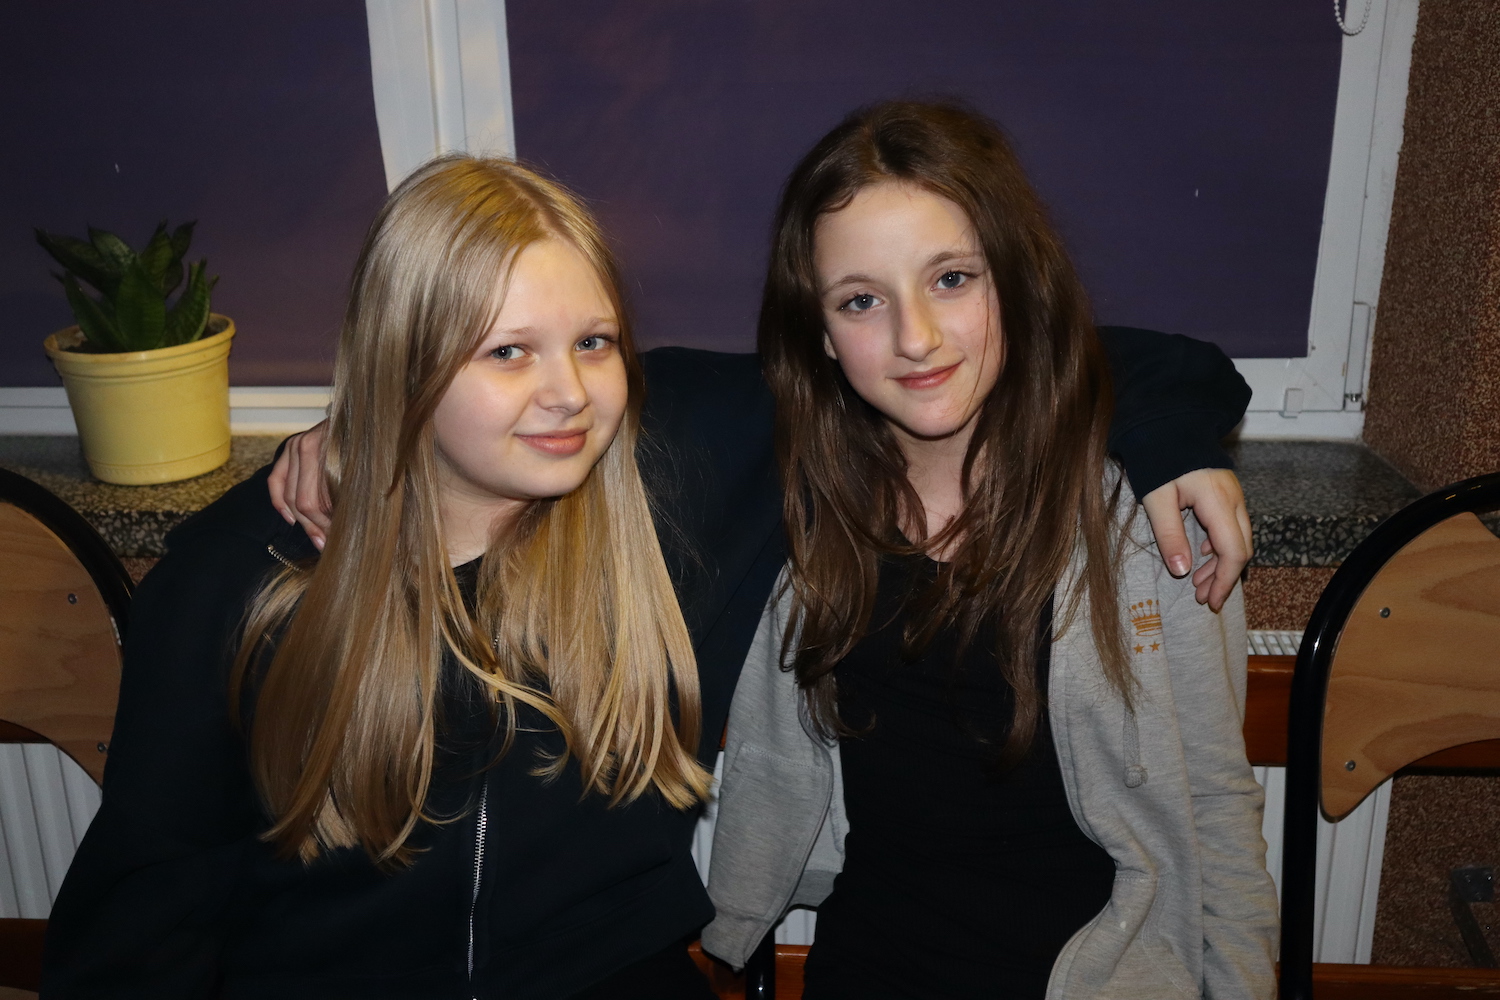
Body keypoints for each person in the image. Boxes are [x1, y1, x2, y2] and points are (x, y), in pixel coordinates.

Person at [107, 151, 1253, 996]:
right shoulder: (239, 580)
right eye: (507, 351)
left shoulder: (682, 475)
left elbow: (1022, 356)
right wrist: (347, 433)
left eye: (593, 341)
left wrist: (1172, 428)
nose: (567, 393)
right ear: (402, 364)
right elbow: (141, 918)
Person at [700, 101, 1277, 999]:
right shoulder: (801, 515)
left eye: (952, 279)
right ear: (822, 335)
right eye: (861, 300)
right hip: (872, 970)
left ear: (1013, 278)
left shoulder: (1144, 518)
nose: (915, 338)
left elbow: (1212, 799)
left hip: (1095, 978)